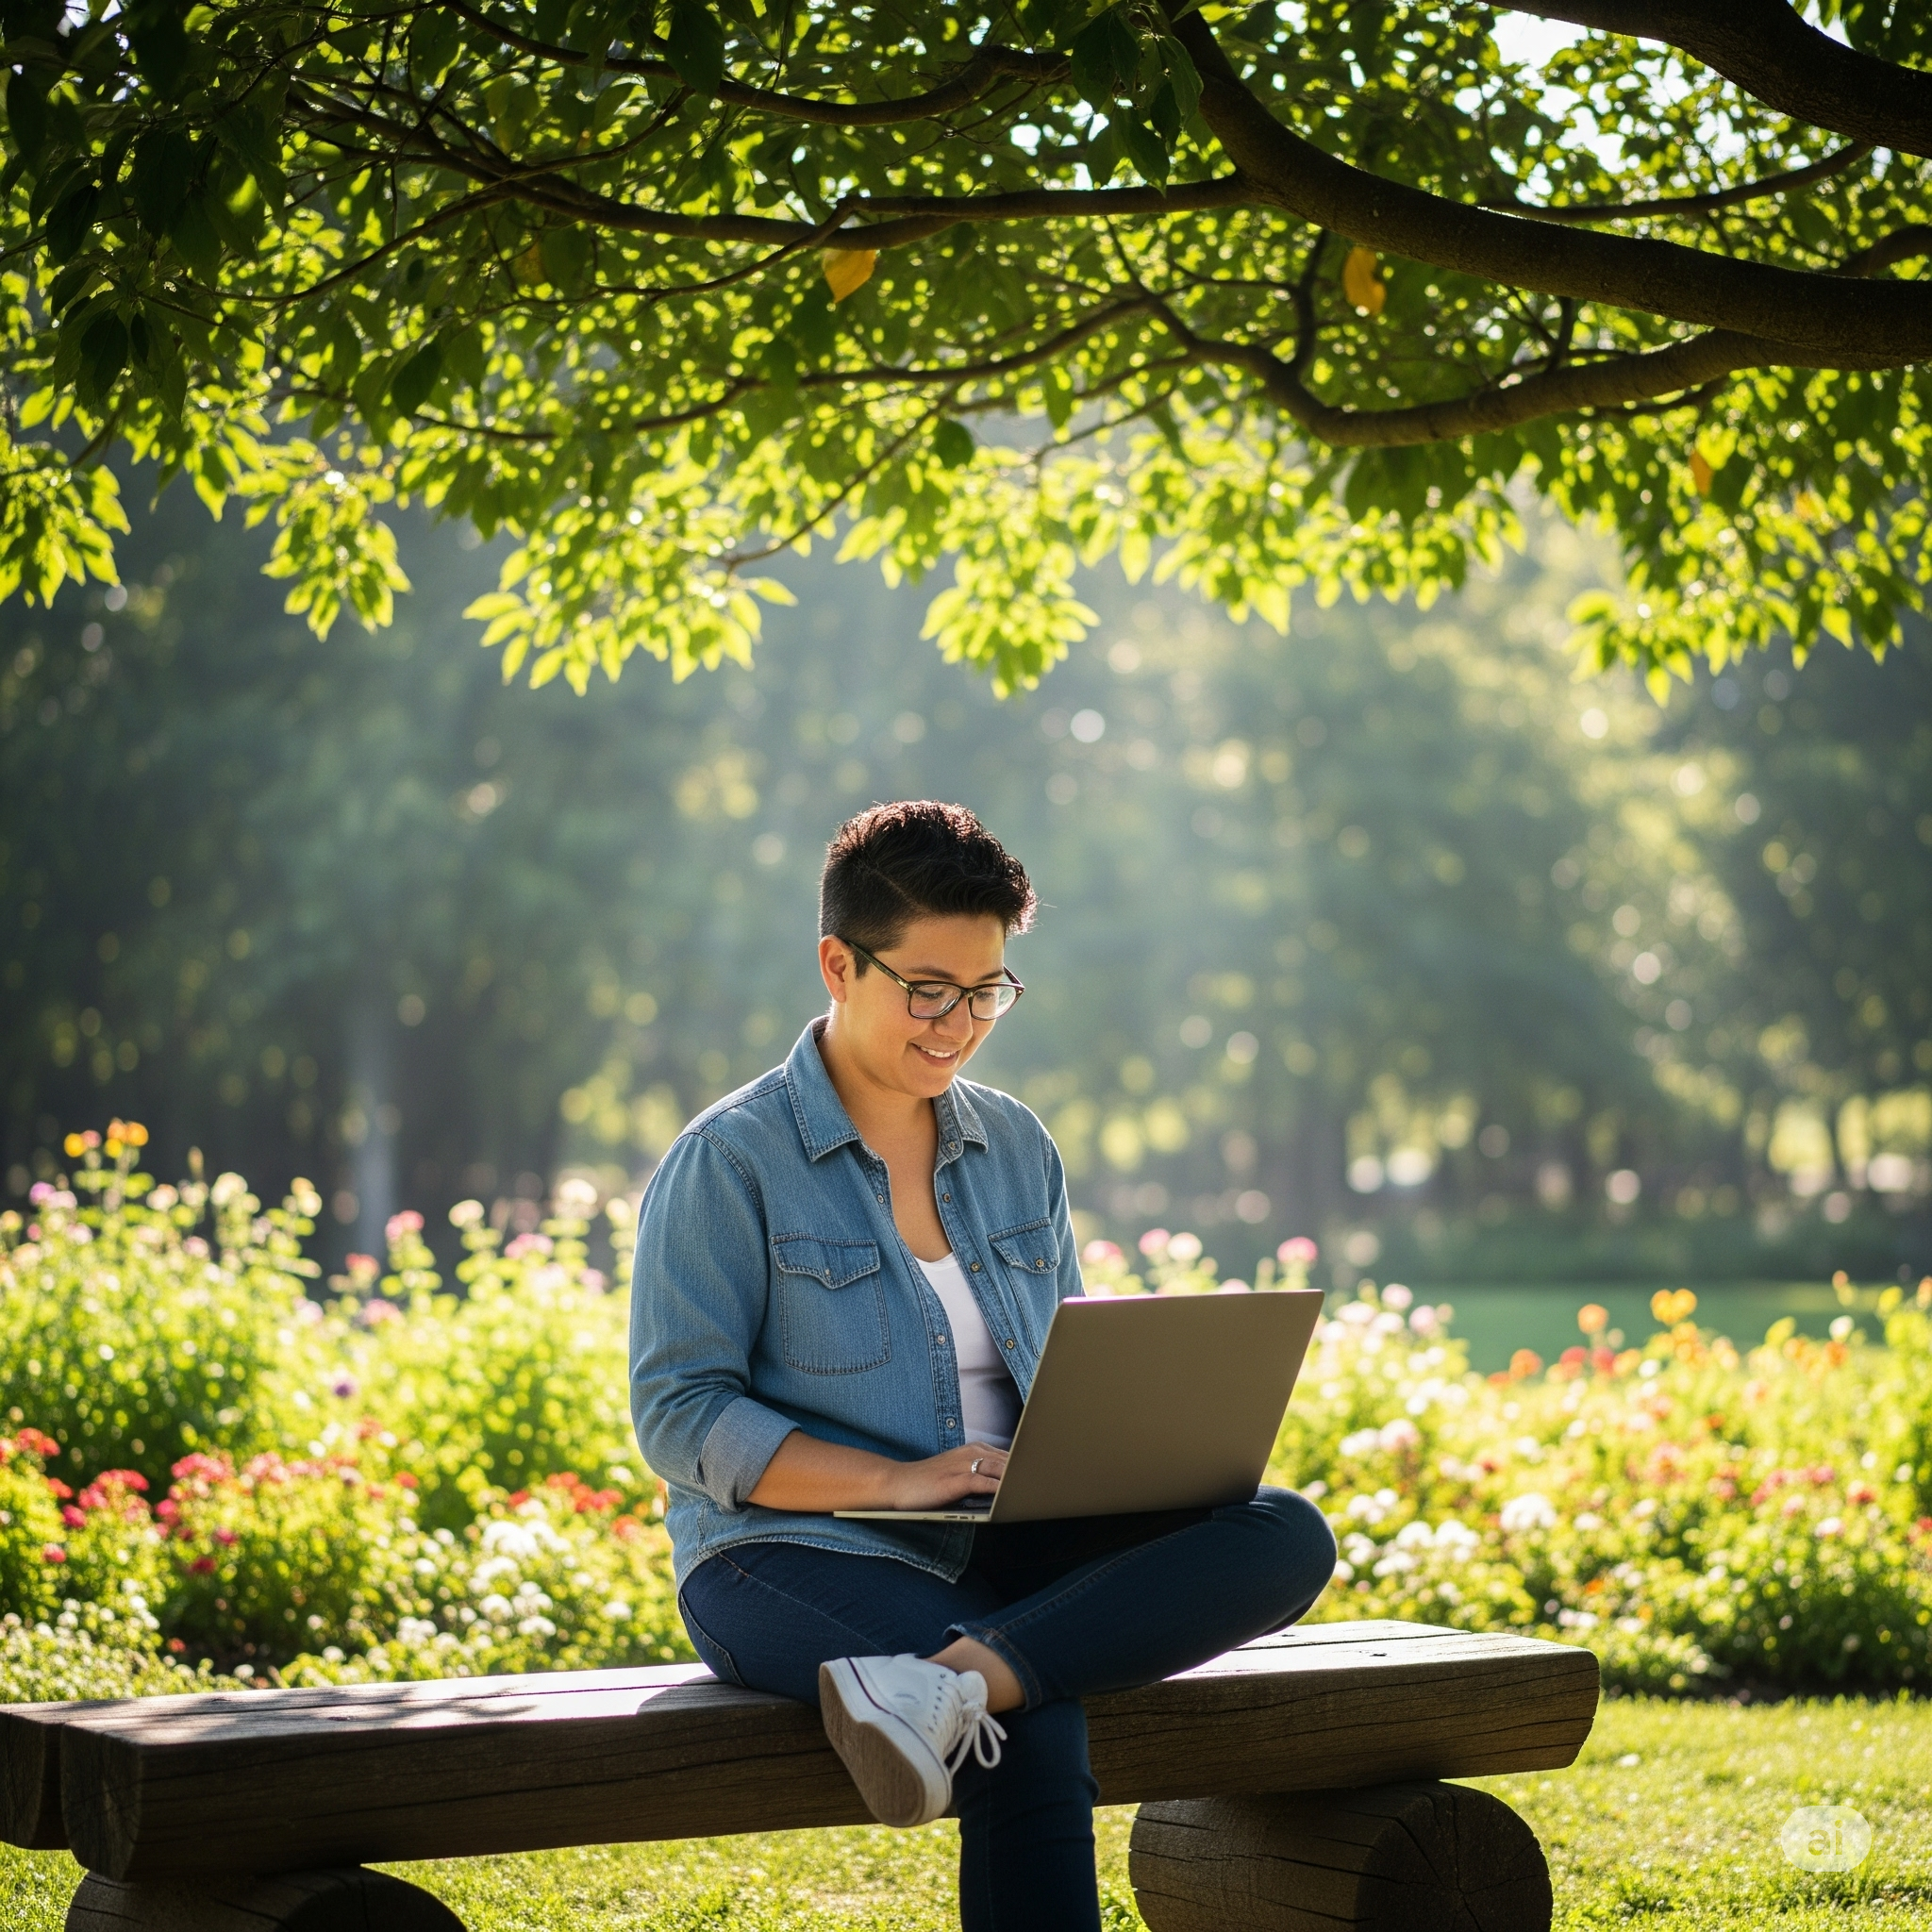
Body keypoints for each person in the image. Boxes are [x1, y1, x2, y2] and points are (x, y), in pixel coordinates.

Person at [629, 800, 1337, 1932]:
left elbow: (1057, 1358)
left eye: (986, 989)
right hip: (781, 1554)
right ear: (835, 962)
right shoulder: (730, 1159)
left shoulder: (1014, 1145)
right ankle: (983, 1679)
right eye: (926, 988)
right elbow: (679, 1413)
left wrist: (1117, 1454)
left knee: (1283, 1528)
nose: (957, 1022)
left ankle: (953, 1677)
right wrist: (895, 1481)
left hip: (995, 1535)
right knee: (1031, 1727)